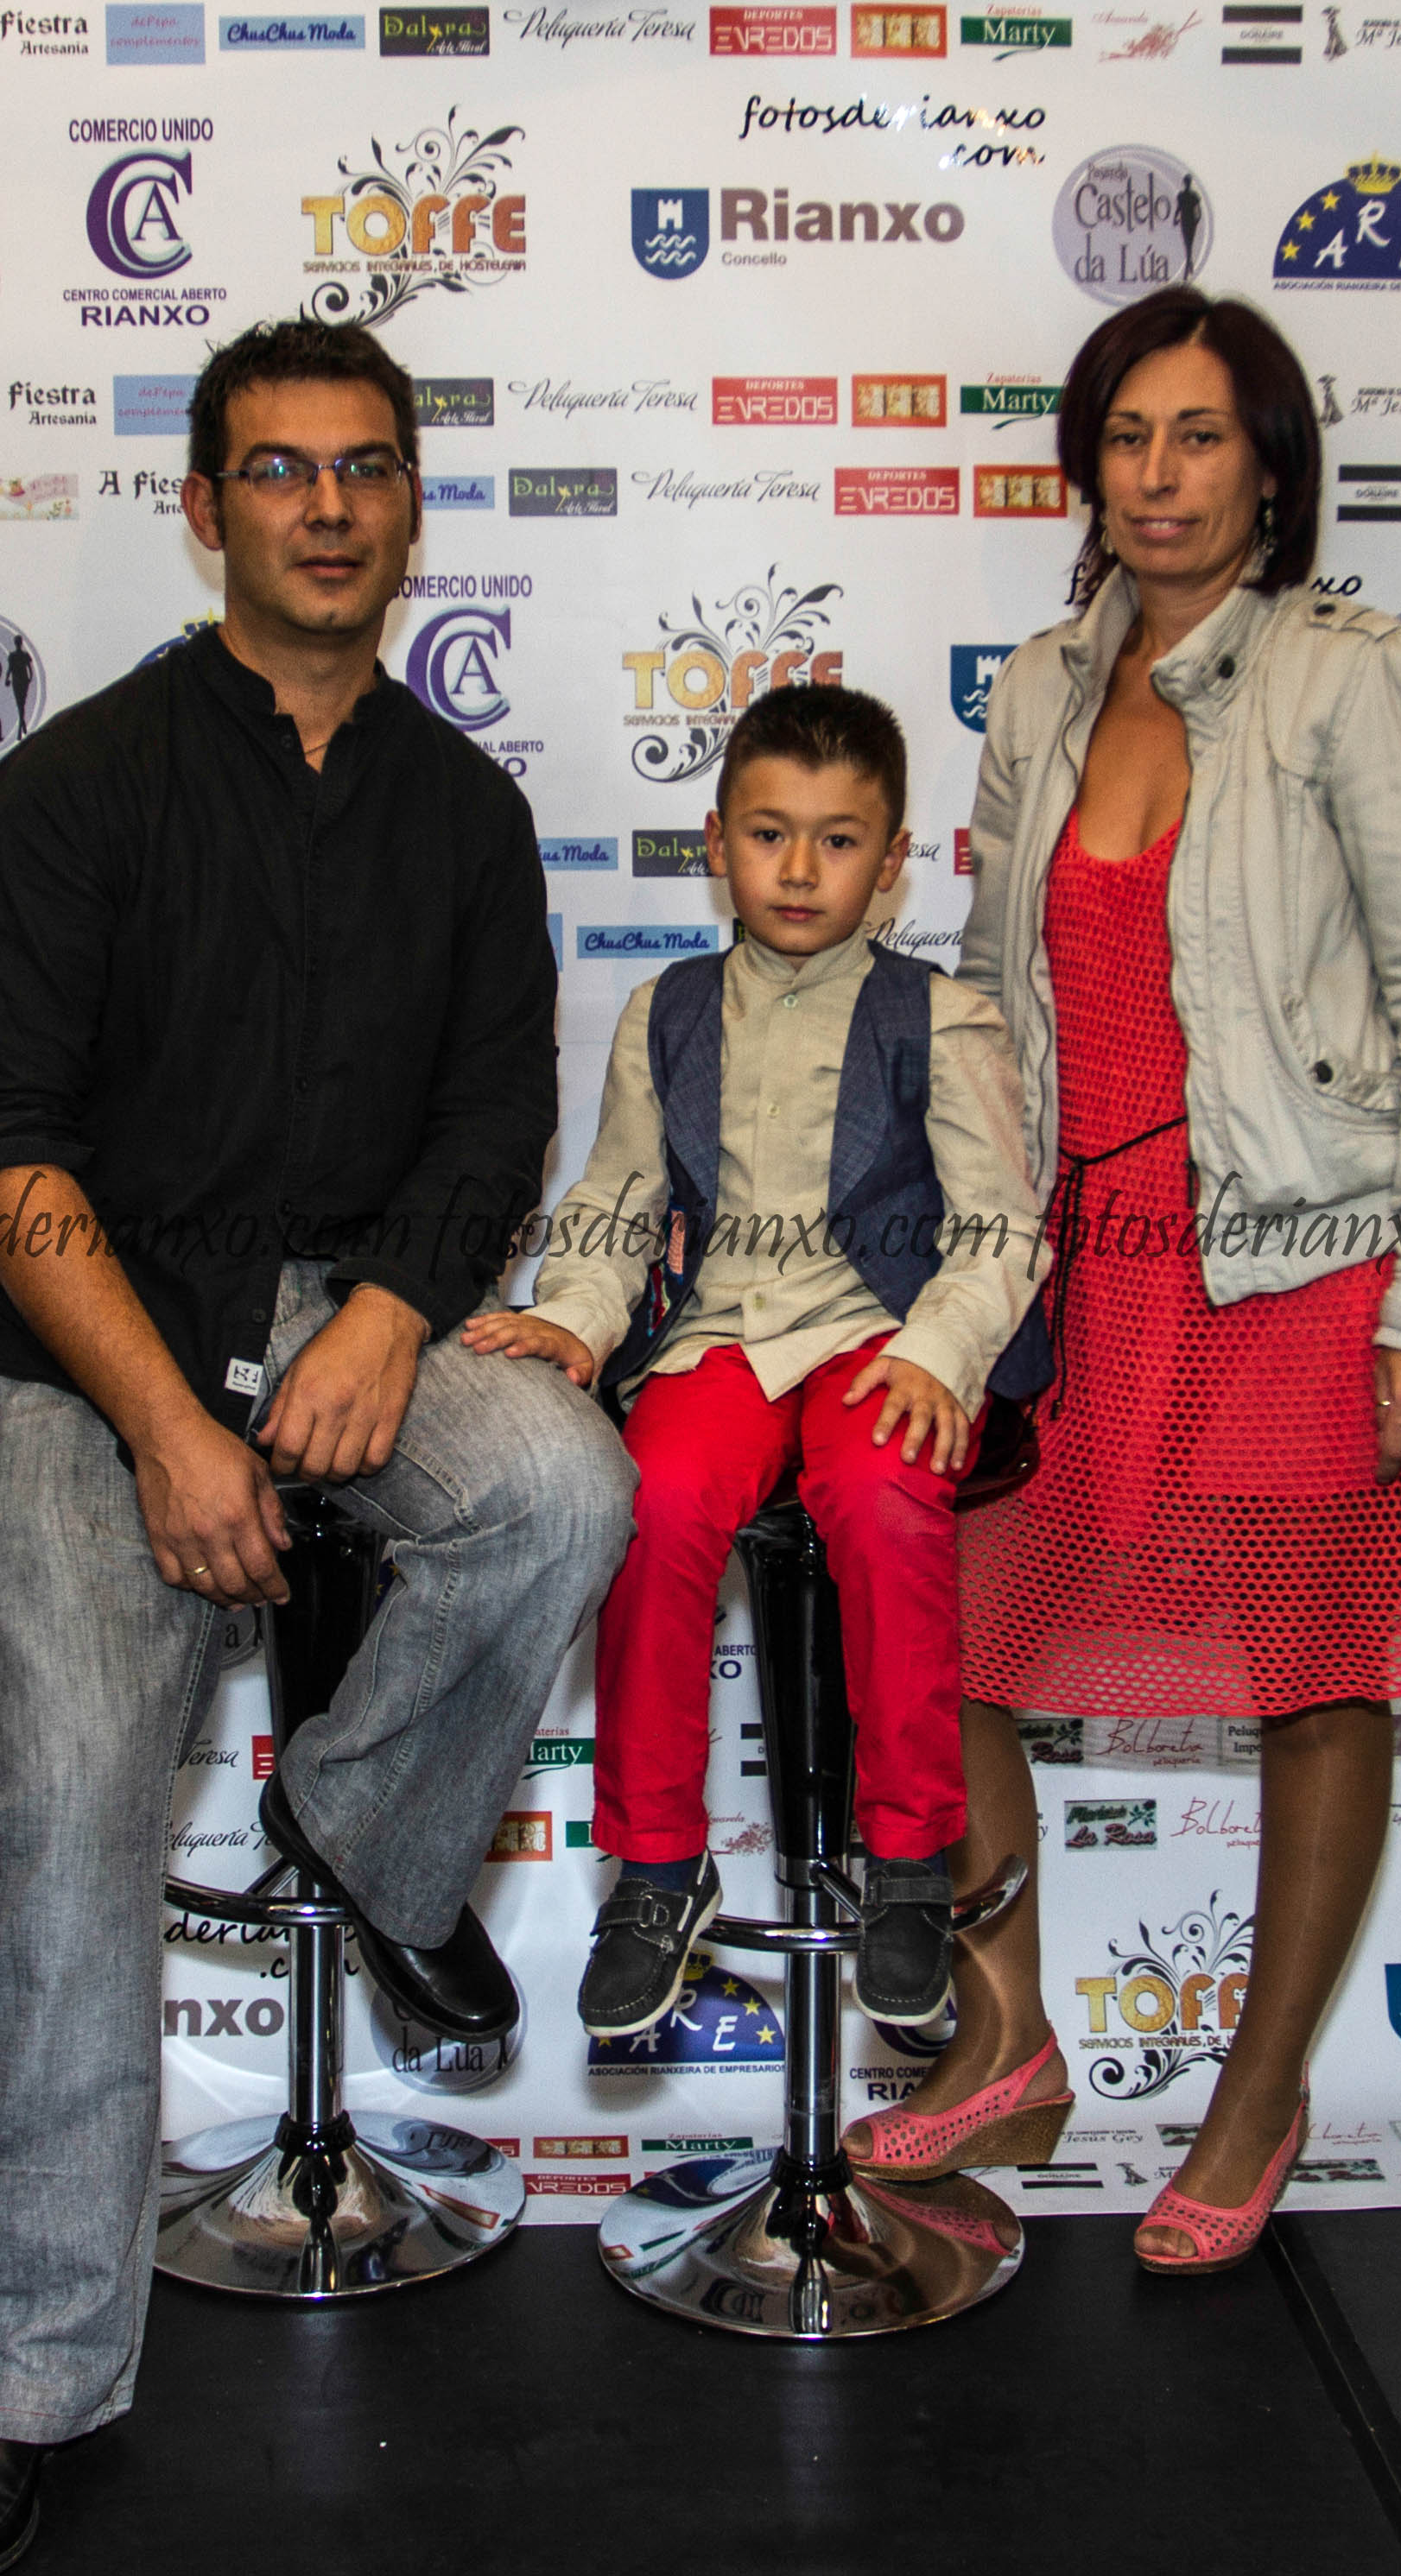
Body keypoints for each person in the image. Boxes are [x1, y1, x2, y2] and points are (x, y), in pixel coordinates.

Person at [0, 317, 636, 2576]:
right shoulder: (74, 790)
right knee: (65, 1813)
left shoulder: (462, 813)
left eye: (365, 468)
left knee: (559, 1483)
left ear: (410, 507)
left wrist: (395, 1314)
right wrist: (163, 1423)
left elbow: (493, 1116)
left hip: (342, 1310)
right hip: (96, 1342)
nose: (326, 506)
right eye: (281, 469)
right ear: (205, 505)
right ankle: (11, 2380)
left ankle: (363, 1838)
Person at [842, 285, 1401, 2275]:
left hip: (1300, 1256)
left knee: (1314, 1676)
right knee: (951, 1625)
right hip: (1079, 1254)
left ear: (1270, 467)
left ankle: (1255, 2093)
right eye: (1127, 436)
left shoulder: (1351, 678)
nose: (1158, 474)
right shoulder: (1040, 690)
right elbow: (990, 1003)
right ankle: (1009, 2043)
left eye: (1198, 435)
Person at [466, 686, 1049, 2041]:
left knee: (884, 1497)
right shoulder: (663, 1012)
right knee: (650, 1505)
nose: (799, 869)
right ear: (716, 841)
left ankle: (906, 1863)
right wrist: (577, 1320)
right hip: (720, 1336)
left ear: (890, 861)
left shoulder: (941, 1017)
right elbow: (617, 1199)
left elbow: (998, 1225)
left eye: (838, 841)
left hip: (879, 1335)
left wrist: (941, 1352)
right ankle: (656, 1868)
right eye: (770, 834)